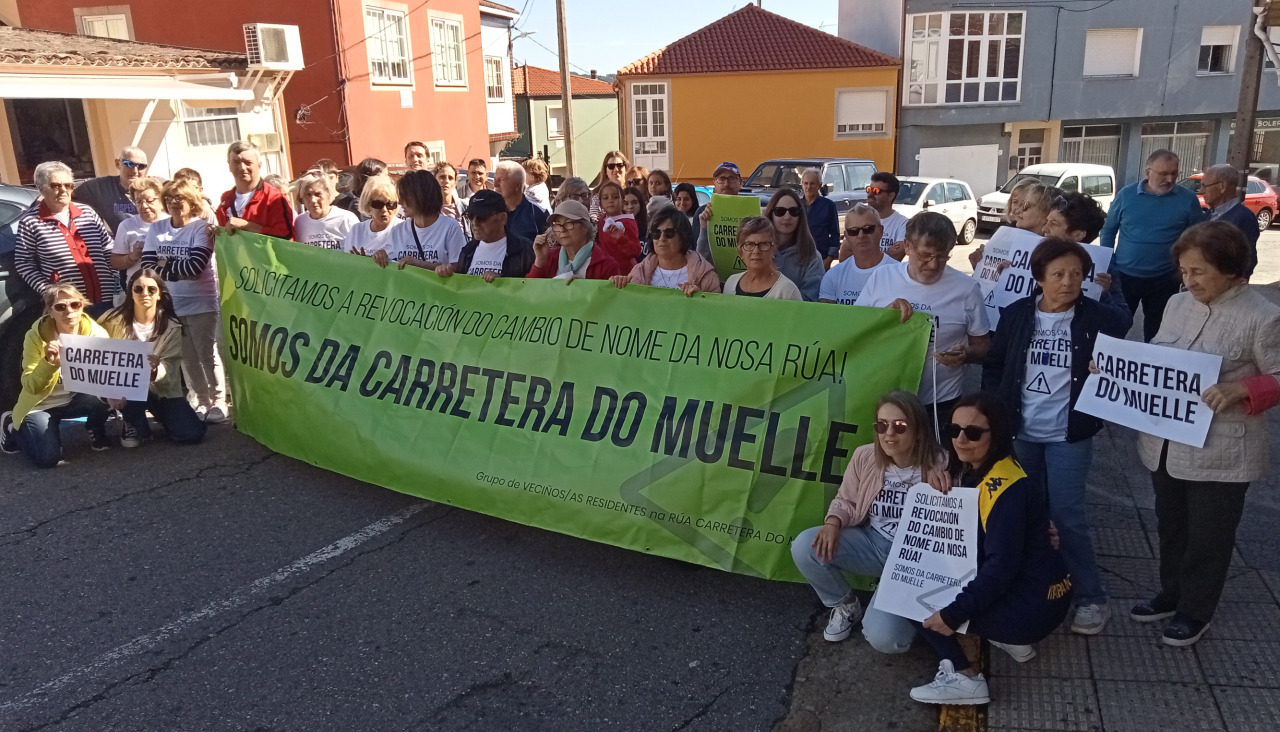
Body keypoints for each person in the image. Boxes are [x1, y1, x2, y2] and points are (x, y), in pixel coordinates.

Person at [1129, 221, 1280, 646]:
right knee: (1171, 526)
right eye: (1184, 271)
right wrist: (1118, 366)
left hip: (1222, 451)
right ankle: (1171, 593)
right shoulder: (1177, 303)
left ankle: (1196, 611)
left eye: (1199, 272)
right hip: (1165, 444)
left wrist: (1243, 389)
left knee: (1209, 536)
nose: (1189, 280)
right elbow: (1157, 355)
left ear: (1230, 270)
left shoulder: (1263, 316)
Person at [982, 237, 1132, 635]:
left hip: (1070, 435)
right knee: (1023, 513)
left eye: (1077, 274)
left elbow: (1125, 334)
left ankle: (1091, 598)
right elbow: (995, 365)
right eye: (1059, 274)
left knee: (1067, 516)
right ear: (1039, 277)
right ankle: (1036, 586)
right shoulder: (1017, 314)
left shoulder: (1098, 318)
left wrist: (1107, 366)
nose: (1068, 282)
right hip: (1022, 434)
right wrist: (997, 412)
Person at [908, 392, 1072, 705]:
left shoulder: (1004, 490)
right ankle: (1008, 639)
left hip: (1032, 608)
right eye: (954, 430)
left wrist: (952, 615)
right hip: (1045, 594)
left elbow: (1000, 568)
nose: (960, 439)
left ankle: (964, 678)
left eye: (973, 432)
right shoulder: (997, 468)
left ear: (996, 434)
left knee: (913, 592)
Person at [792, 389, 948, 649]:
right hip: (872, 543)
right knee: (805, 545)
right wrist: (832, 522)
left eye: (900, 426)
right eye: (881, 425)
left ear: (919, 430)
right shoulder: (865, 456)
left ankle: (900, 604)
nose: (889, 433)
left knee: (886, 639)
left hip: (914, 560)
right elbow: (846, 500)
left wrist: (941, 484)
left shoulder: (942, 463)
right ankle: (847, 605)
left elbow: (955, 527)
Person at [856, 212, 990, 428]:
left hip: (941, 401)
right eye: (925, 255)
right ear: (907, 246)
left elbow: (982, 345)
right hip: (888, 399)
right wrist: (885, 317)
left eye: (942, 257)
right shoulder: (882, 278)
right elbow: (856, 333)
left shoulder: (967, 289)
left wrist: (966, 355)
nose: (934, 265)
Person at [141, 179, 225, 423]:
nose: (174, 202)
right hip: (170, 303)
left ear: (192, 201)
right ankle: (201, 400)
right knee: (186, 357)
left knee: (207, 354)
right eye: (169, 198)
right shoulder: (156, 229)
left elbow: (195, 267)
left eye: (180, 198)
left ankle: (219, 401)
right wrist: (174, 268)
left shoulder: (201, 228)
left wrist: (164, 264)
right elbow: (148, 267)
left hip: (201, 302)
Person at [1099, 149, 1205, 342]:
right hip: (1124, 275)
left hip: (1164, 278)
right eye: (1163, 173)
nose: (1170, 179)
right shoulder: (1126, 195)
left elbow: (1196, 238)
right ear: (1148, 172)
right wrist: (1108, 262)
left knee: (1157, 331)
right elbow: (1108, 230)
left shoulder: (1188, 199)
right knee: (1115, 327)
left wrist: (1184, 270)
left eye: (1174, 173)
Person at [5, 284, 111, 465]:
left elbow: (109, 374)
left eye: (75, 305)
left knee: (104, 398)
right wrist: (49, 363)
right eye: (61, 307)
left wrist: (113, 394)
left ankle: (96, 428)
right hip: (41, 404)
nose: (69, 311)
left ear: (82, 306)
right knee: (48, 459)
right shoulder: (35, 337)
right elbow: (30, 385)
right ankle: (11, 428)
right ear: (50, 311)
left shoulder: (97, 333)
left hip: (74, 399)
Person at [99, 269, 206, 448]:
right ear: (130, 293)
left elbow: (170, 368)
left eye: (151, 289)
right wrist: (108, 390)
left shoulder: (172, 326)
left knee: (191, 434)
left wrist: (155, 370)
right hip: (124, 388)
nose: (145, 293)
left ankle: (155, 416)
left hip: (160, 390)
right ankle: (130, 421)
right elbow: (95, 354)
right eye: (138, 289)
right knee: (132, 404)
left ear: (159, 294)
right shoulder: (111, 320)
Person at [16, 161, 116, 317]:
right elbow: (23, 262)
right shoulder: (31, 222)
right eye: (56, 186)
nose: (63, 190)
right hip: (68, 306)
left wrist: (115, 278)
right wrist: (48, 290)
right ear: (41, 188)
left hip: (106, 298)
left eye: (68, 185)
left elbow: (108, 246)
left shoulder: (88, 212)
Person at [610, 204, 720, 295]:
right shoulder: (639, 273)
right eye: (656, 233)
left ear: (683, 236)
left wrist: (701, 298)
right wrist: (619, 285)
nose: (662, 238)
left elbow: (715, 311)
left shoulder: (705, 275)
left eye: (669, 233)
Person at [373, 170, 466, 270]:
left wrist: (419, 264)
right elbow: (388, 264)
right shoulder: (397, 231)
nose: (400, 202)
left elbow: (458, 268)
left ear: (421, 196)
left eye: (405, 197)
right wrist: (377, 258)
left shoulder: (450, 227)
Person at [440, 190, 535, 281]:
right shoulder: (467, 251)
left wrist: (503, 282)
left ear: (502, 218)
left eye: (482, 217)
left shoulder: (524, 250)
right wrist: (447, 273)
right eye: (470, 216)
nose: (474, 222)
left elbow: (534, 286)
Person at [819, 204, 898, 305]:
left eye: (868, 229)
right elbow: (827, 313)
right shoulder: (833, 276)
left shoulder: (899, 274)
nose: (861, 235)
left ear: (881, 231)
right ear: (846, 236)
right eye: (853, 231)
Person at [216, 141, 295, 240]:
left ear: (259, 165)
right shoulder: (226, 199)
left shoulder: (274, 198)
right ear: (229, 165)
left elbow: (287, 237)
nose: (242, 167)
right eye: (235, 162)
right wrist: (214, 232)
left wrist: (247, 226)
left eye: (248, 162)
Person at [528, 200, 623, 280]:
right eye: (557, 224)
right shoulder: (549, 257)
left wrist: (583, 287)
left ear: (585, 227)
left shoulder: (607, 265)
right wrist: (539, 261)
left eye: (568, 223)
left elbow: (609, 296)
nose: (562, 229)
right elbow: (531, 292)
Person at [763, 188, 825, 301]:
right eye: (780, 211)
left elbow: (809, 301)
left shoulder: (812, 257)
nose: (787, 217)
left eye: (794, 211)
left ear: (800, 216)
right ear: (771, 214)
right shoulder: (757, 251)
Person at [110, 177, 167, 299]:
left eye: (149, 200)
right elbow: (115, 262)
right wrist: (132, 256)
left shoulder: (172, 222)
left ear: (161, 200)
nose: (144, 206)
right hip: (140, 292)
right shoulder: (126, 226)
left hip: (170, 290)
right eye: (139, 202)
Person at [1200, 163, 1260, 278]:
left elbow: (1248, 259)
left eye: (1205, 186)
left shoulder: (1244, 218)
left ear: (1222, 186)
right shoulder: (1208, 215)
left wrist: (1232, 283)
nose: (1201, 191)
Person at [722, 217, 802, 300]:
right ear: (740, 250)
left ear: (773, 248)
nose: (756, 251)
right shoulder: (730, 283)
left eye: (763, 244)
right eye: (749, 244)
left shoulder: (787, 291)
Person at [72, 145, 146, 232]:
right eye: (129, 164)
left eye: (141, 166)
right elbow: (65, 188)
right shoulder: (101, 187)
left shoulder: (155, 187)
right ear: (117, 164)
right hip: (124, 240)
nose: (135, 171)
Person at [694, 162, 747, 262]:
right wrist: (704, 228)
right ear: (714, 183)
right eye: (721, 179)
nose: (726, 184)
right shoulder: (702, 212)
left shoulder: (750, 211)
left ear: (741, 183)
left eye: (731, 178)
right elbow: (698, 256)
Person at [292, 171, 358, 250]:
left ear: (328, 194)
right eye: (308, 195)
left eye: (318, 194)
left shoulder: (346, 219)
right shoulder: (300, 222)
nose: (313, 200)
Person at [344, 174, 402, 255]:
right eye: (378, 204)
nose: (384, 209)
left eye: (390, 204)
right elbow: (347, 260)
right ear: (367, 205)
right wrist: (359, 260)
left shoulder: (403, 230)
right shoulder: (357, 230)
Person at [493, 160, 548, 243]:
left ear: (517, 184)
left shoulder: (537, 213)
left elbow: (550, 245)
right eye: (494, 179)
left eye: (501, 179)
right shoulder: (490, 212)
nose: (495, 184)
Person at [594, 181, 640, 266]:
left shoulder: (628, 221)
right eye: (606, 198)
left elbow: (636, 251)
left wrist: (621, 238)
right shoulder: (601, 220)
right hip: (605, 269)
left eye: (615, 197)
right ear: (600, 204)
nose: (610, 200)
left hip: (623, 270)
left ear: (623, 201)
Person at [801, 168, 840, 264]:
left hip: (821, 259)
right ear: (801, 184)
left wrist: (829, 259)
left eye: (812, 183)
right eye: (806, 183)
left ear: (820, 185)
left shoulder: (828, 206)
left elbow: (835, 234)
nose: (808, 187)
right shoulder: (795, 205)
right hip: (798, 259)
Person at [866, 172, 908, 260]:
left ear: (891, 196)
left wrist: (863, 256)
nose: (870, 195)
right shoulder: (859, 220)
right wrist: (887, 254)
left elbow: (897, 255)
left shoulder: (903, 224)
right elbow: (845, 255)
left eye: (876, 191)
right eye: (869, 189)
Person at [590, 150, 630, 220]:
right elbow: (593, 218)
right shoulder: (598, 196)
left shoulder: (632, 192)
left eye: (620, 165)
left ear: (625, 168)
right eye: (611, 166)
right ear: (605, 170)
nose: (616, 169)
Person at [436, 162, 469, 228]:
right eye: (442, 177)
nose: (446, 181)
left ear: (455, 183)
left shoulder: (465, 208)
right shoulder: (427, 209)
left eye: (450, 178)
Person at [623, 186, 649, 254]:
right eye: (626, 204)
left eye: (634, 202)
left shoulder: (650, 227)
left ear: (640, 204)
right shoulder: (616, 227)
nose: (630, 206)